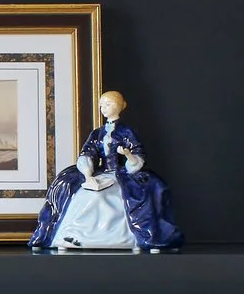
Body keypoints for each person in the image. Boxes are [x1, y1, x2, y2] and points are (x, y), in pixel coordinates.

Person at [30, 89, 181, 255]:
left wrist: (128, 155)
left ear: (119, 106)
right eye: (101, 105)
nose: (104, 108)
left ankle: (131, 239)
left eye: (108, 104)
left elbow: (138, 155)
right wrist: (88, 175)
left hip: (123, 174)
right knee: (76, 193)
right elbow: (87, 152)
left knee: (119, 196)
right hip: (101, 172)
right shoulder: (97, 133)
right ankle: (70, 236)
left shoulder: (127, 132)